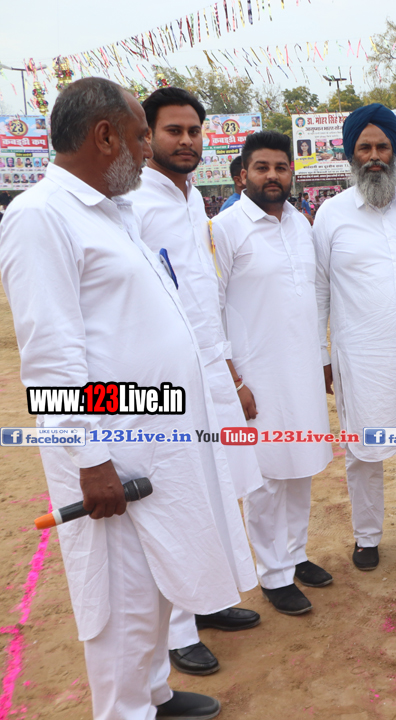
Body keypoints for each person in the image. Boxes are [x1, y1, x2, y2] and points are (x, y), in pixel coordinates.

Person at [0, 77, 250, 720]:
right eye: (141, 136)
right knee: (121, 596)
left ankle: (153, 693)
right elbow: (51, 356)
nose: (146, 150)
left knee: (159, 579)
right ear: (105, 135)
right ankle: (124, 709)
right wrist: (90, 459)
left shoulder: (116, 211)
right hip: (111, 448)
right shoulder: (40, 216)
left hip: (158, 435)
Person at [129, 87, 263, 677]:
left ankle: (207, 602)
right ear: (147, 137)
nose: (186, 141)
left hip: (211, 368)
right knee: (179, 496)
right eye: (173, 131)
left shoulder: (191, 201)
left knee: (218, 487)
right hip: (166, 379)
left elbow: (204, 297)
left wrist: (229, 370)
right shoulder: (135, 203)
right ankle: (178, 630)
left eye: (193, 131)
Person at [314, 105, 396, 571]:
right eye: (364, 147)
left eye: (382, 147)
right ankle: (366, 536)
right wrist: (322, 355)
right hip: (362, 356)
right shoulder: (330, 215)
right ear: (351, 154)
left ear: (395, 152)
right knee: (364, 451)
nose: (374, 156)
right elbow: (319, 289)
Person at [212, 131, 333, 615]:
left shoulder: (301, 223)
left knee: (300, 466)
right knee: (265, 477)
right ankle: (273, 574)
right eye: (262, 167)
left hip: (300, 370)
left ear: (291, 173)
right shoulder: (225, 228)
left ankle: (295, 554)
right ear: (244, 174)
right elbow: (210, 308)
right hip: (255, 377)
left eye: (281, 167)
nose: (272, 176)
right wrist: (234, 380)